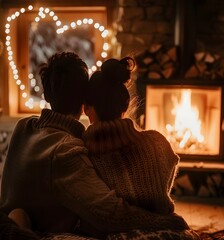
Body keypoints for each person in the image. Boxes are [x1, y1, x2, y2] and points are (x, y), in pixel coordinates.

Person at [0, 52, 189, 239]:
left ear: (46, 94)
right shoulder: (67, 150)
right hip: (34, 233)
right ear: (84, 102)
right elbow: (109, 213)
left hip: (9, 219)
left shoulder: (23, 126)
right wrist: (164, 220)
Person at [83, 57, 183, 219]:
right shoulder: (157, 143)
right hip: (169, 228)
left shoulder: (83, 153)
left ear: (86, 108)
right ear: (126, 104)